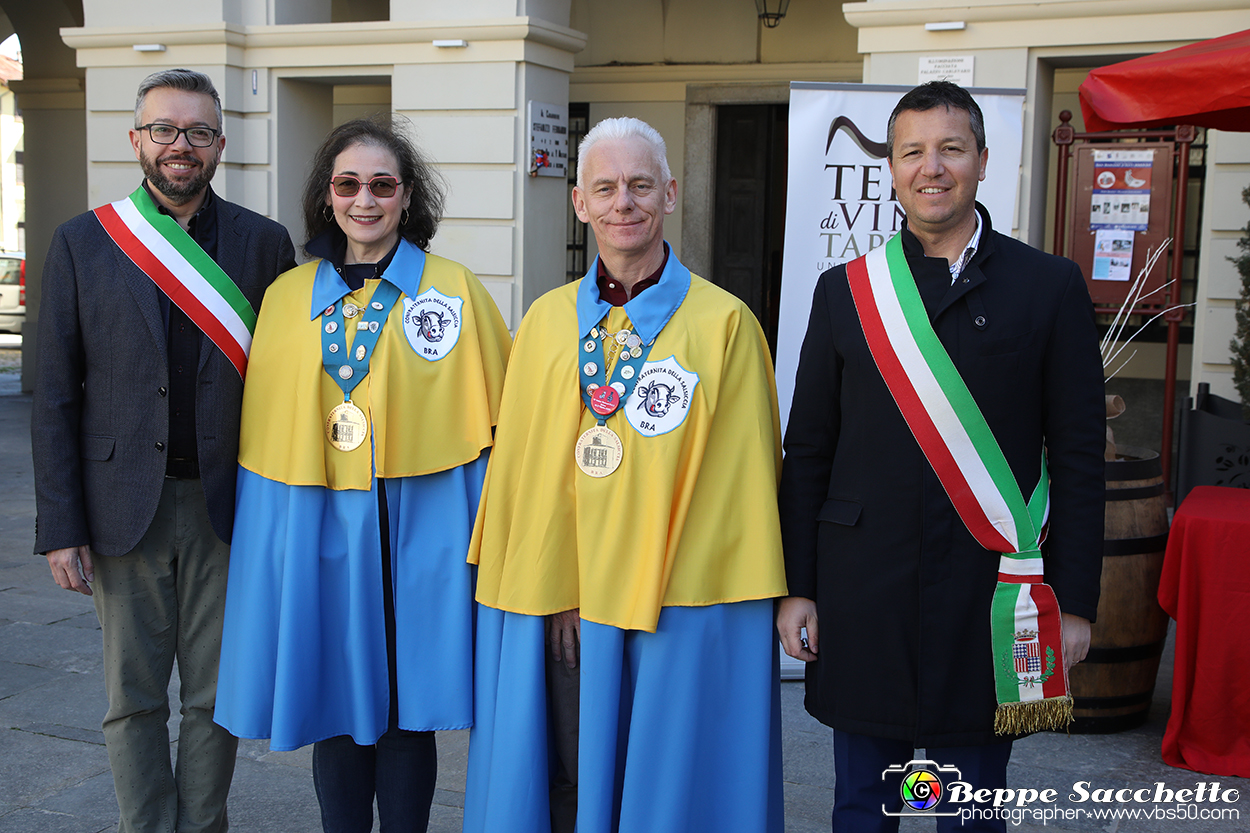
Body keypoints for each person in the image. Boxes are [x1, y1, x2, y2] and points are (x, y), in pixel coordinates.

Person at [776, 81, 1105, 832]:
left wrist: (1076, 601)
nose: (933, 167)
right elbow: (809, 451)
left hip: (989, 599)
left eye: (951, 148)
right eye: (913, 151)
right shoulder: (845, 292)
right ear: (890, 169)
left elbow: (1081, 456)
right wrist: (797, 588)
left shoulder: (1049, 287)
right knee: (865, 804)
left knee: (972, 812)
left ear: (983, 161)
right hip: (865, 595)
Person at [462, 117, 788, 833]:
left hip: (675, 605)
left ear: (669, 193)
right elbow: (526, 477)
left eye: (640, 185)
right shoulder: (544, 324)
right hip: (567, 608)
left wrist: (637, 586)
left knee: (663, 791)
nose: (624, 203)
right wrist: (559, 589)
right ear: (579, 202)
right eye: (605, 188)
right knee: (564, 783)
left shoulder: (726, 325)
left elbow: (734, 493)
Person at [212, 116, 510, 833]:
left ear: (408, 197)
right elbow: (268, 436)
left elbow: (502, 428)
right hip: (320, 528)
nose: (365, 200)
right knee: (338, 705)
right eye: (349, 184)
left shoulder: (456, 292)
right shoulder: (286, 298)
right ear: (327, 195)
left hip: (418, 532)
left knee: (409, 710)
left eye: (383, 184)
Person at [30, 68, 296, 832]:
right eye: (164, 130)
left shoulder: (262, 242)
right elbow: (53, 395)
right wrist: (60, 524)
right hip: (123, 508)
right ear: (137, 139)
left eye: (198, 132)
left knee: (217, 696)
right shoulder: (85, 241)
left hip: (229, 504)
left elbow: (283, 381)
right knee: (133, 697)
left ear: (220, 142)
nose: (181, 146)